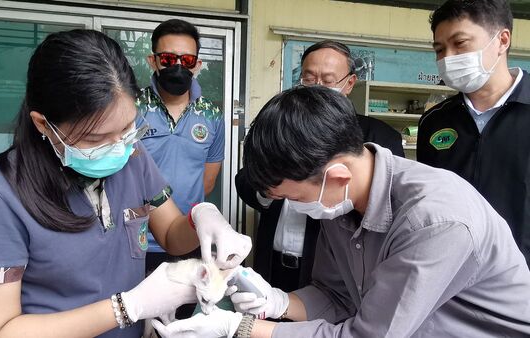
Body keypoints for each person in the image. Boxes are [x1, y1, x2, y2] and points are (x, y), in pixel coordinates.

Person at [153, 86, 530, 338]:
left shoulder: (435, 221)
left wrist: (241, 327)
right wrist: (279, 301)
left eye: (290, 197)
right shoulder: (340, 203)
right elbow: (337, 297)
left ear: (336, 176)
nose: (292, 207)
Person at [0, 29, 250, 338]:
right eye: (95, 138)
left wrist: (202, 218)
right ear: (43, 124)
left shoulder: (133, 157)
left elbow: (172, 236)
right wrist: (127, 307)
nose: (119, 147)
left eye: (128, 127)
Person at [235, 40, 404, 293]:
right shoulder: (283, 125)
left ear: (349, 83)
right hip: (274, 261)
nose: (317, 87)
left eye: (327, 80)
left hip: (332, 271)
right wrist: (271, 190)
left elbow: (383, 207)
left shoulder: (377, 136)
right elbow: (249, 176)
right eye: (309, 78)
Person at [417, 0, 530, 263]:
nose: (448, 58)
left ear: (502, 40)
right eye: (439, 49)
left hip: (521, 279)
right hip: (452, 275)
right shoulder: (435, 121)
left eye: (460, 43)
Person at [137, 19, 226, 261]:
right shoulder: (130, 108)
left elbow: (207, 182)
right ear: (152, 60)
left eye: (186, 60)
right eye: (167, 59)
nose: (177, 66)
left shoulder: (211, 115)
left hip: (189, 236)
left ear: (197, 65)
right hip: (135, 239)